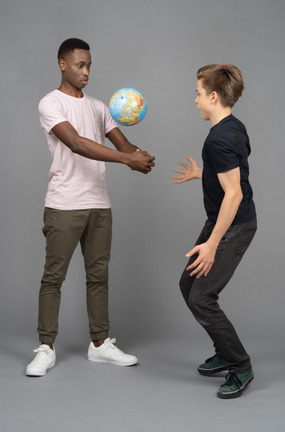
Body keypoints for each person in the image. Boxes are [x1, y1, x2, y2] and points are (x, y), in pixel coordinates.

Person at [26, 38, 155, 377]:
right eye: (80, 65)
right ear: (62, 64)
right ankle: (45, 348)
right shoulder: (49, 103)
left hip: (99, 203)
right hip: (64, 203)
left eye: (89, 66)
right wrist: (126, 158)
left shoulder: (99, 107)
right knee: (53, 277)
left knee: (98, 277)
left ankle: (99, 345)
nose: (86, 72)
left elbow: (123, 145)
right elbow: (77, 143)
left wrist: (138, 156)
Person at [172, 64, 257, 399]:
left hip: (235, 226)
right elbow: (231, 174)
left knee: (201, 297)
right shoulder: (233, 128)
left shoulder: (219, 138)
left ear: (213, 96)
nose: (194, 100)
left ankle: (240, 365)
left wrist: (212, 243)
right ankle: (224, 349)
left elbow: (234, 194)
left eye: (197, 93)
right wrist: (203, 174)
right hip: (225, 221)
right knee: (188, 284)